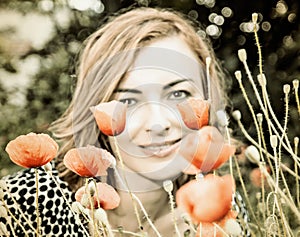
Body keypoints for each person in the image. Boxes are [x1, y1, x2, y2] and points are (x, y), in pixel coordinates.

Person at [1, 7, 250, 236]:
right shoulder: (23, 204)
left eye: (178, 94)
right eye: (129, 102)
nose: (158, 123)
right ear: (93, 110)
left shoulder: (218, 206)